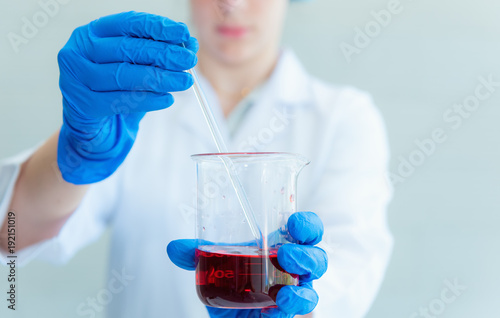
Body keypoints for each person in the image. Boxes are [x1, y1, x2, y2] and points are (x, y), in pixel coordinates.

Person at [0, 1, 393, 317]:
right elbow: (11, 234)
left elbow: (353, 265)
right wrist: (79, 154)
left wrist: (304, 308)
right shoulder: (134, 108)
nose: (232, 4)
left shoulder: (343, 118)